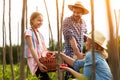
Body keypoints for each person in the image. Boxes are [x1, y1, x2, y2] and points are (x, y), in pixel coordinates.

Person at [62, 1, 89, 79]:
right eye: (74, 12)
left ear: (82, 13)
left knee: (75, 76)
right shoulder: (67, 21)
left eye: (79, 12)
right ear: (72, 10)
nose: (76, 14)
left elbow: (86, 38)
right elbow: (71, 38)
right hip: (70, 54)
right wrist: (78, 54)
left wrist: (87, 52)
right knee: (69, 75)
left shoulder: (83, 23)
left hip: (79, 55)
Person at [24, 12, 51, 80]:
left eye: (42, 21)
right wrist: (39, 63)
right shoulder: (29, 32)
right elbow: (31, 48)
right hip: (35, 61)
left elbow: (44, 49)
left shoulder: (40, 34)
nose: (40, 22)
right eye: (38, 20)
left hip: (41, 60)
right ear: (32, 20)